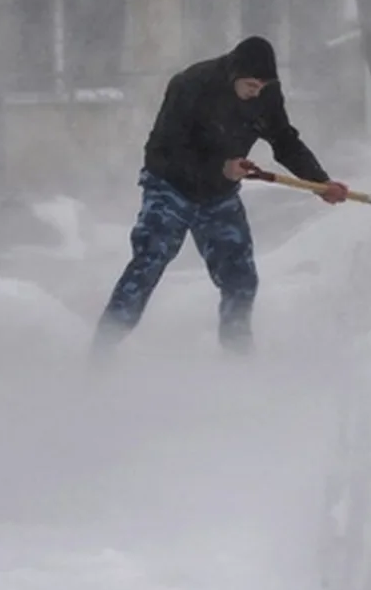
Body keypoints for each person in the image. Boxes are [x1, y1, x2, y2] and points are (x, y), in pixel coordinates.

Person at [91, 36, 350, 357]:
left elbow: (285, 141)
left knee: (241, 279)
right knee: (149, 262)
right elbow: (161, 152)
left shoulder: (266, 95)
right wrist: (219, 167)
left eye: (263, 86)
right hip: (169, 187)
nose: (257, 93)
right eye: (251, 85)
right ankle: (102, 351)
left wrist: (319, 182)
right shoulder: (191, 85)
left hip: (217, 195)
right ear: (234, 75)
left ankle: (238, 359)